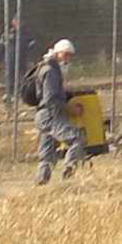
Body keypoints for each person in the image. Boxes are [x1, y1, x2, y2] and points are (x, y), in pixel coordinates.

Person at [34, 39, 85, 185]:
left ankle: (41, 182)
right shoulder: (50, 71)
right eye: (66, 55)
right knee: (77, 137)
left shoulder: (48, 68)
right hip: (51, 115)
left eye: (70, 56)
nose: (68, 60)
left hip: (44, 115)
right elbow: (51, 99)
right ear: (58, 53)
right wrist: (69, 108)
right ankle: (69, 168)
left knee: (47, 154)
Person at [0, 19, 36, 107]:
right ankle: (9, 98)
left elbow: (32, 49)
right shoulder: (7, 34)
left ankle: (22, 97)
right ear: (12, 22)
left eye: (19, 21)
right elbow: (0, 47)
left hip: (23, 60)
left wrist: (32, 60)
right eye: (15, 21)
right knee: (9, 79)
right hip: (9, 60)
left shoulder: (27, 34)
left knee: (24, 79)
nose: (17, 23)